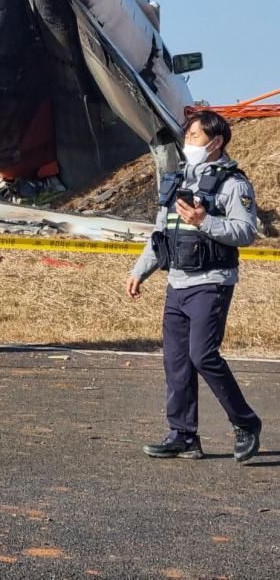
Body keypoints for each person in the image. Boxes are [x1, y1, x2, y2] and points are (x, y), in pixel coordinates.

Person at [126, 110, 261, 462]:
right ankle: (183, 435)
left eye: (196, 137)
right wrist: (140, 270)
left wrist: (205, 221)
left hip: (211, 283)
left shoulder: (234, 183)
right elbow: (162, 234)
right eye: (187, 136)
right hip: (177, 284)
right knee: (176, 362)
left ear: (216, 142)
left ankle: (245, 423)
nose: (188, 143)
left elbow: (245, 232)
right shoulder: (177, 179)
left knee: (202, 355)